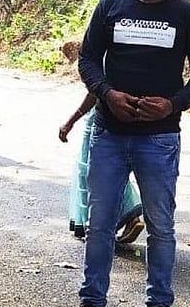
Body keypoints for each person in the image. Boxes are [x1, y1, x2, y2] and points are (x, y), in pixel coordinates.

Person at [61, 0, 190, 307]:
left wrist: (173, 104)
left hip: (159, 139)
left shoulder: (186, 14)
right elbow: (89, 59)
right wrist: (108, 94)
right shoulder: (112, 6)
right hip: (110, 136)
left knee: (161, 227)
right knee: (99, 225)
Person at [59, 92, 144, 243]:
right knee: (111, 171)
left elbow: (96, 90)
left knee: (91, 171)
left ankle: (100, 228)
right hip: (126, 117)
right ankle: (127, 219)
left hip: (101, 119)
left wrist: (71, 120)